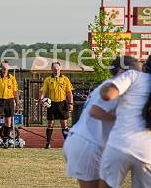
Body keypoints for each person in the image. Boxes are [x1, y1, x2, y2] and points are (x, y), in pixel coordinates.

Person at [63, 56, 140, 188]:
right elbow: (95, 111)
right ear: (122, 72)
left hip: (89, 143)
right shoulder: (113, 88)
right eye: (136, 72)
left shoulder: (111, 86)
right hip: (88, 144)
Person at [99, 55, 151, 188]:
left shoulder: (133, 75)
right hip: (146, 150)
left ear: (146, 65)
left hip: (120, 144)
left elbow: (108, 94)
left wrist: (109, 84)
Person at [39, 61, 73, 149]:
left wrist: (70, 103)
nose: (56, 70)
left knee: (64, 124)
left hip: (62, 103)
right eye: (54, 69)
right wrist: (41, 99)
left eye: (57, 69)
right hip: (52, 104)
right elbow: (43, 91)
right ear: (51, 69)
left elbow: (69, 93)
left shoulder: (65, 79)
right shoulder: (48, 79)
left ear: (60, 68)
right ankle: (48, 143)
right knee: (50, 124)